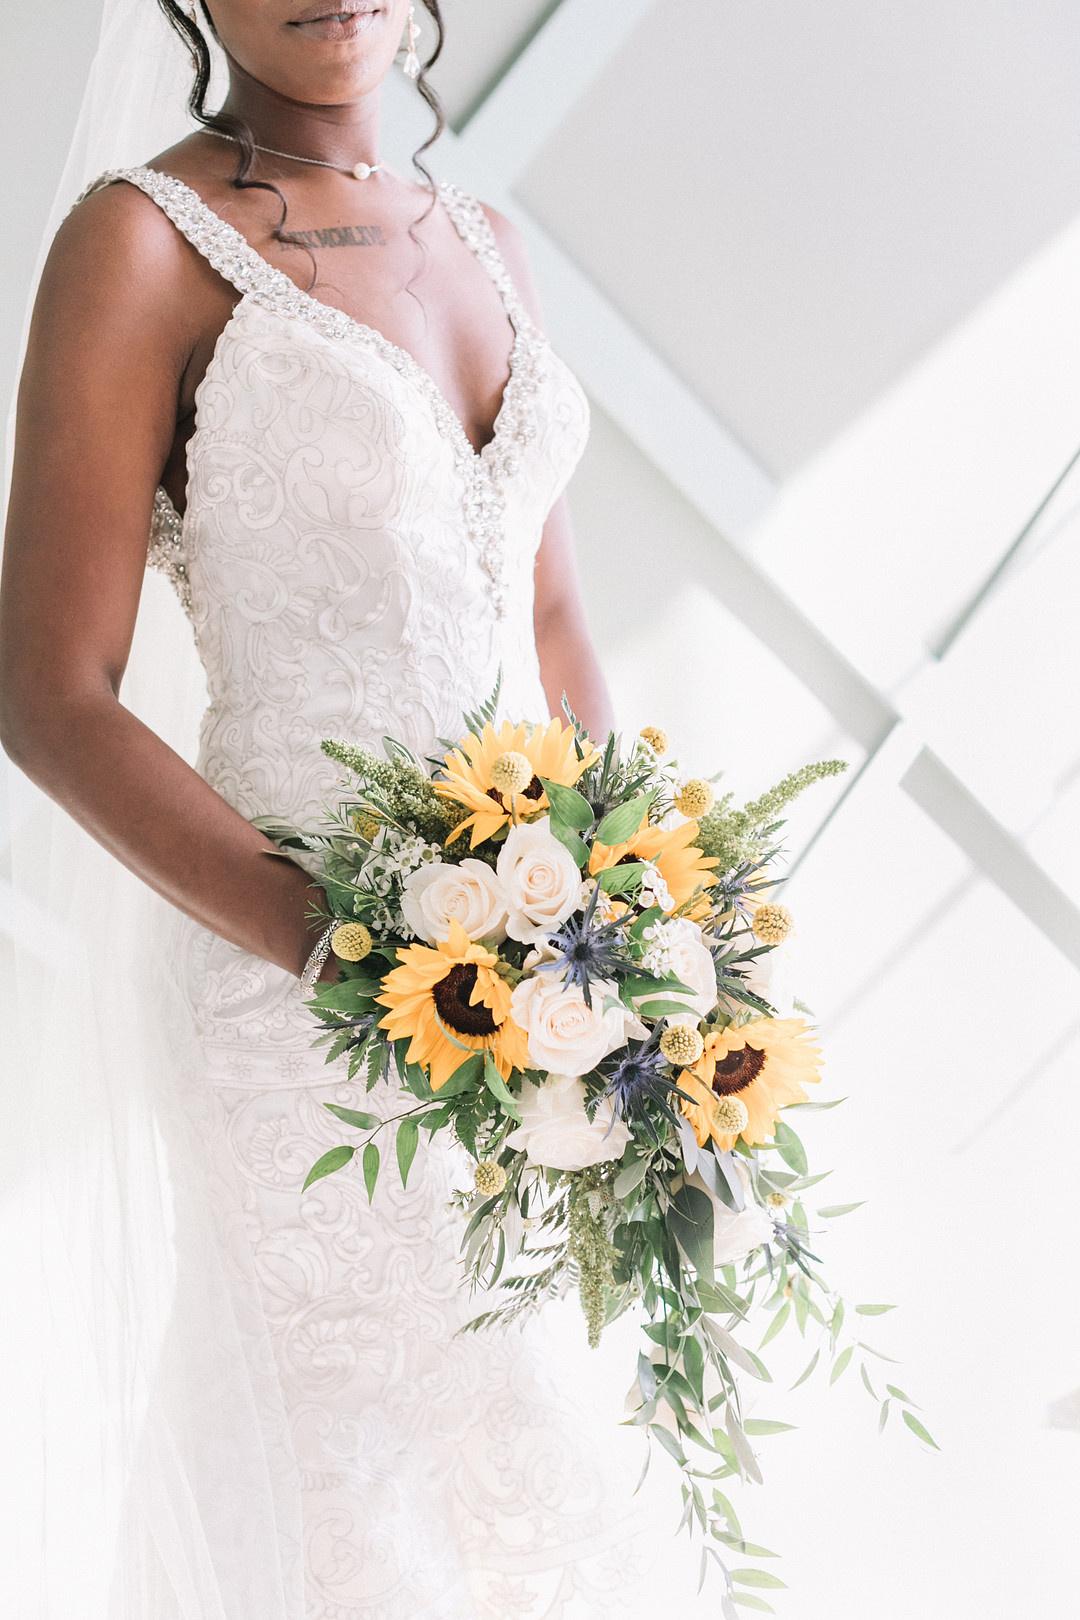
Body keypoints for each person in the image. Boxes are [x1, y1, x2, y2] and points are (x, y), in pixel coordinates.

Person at [0, 4, 708, 1615]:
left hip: (549, 979)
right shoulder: (137, 247)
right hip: (288, 990)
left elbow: (557, 626)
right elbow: (48, 688)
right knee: (351, 1474)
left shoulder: (492, 242)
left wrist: (650, 930)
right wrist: (340, 953)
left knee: (541, 1432)